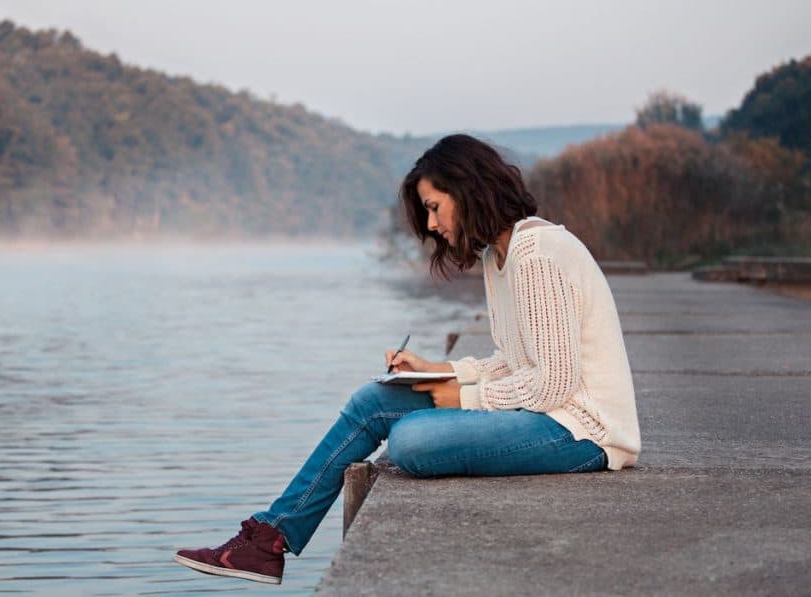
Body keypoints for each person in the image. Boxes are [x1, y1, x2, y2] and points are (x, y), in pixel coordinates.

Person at [174, 134, 641, 585]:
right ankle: (270, 537)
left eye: (434, 207)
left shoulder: (536, 253)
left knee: (412, 441)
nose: (433, 225)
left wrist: (459, 396)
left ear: (468, 189)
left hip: (583, 432)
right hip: (549, 419)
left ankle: (272, 537)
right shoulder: (499, 257)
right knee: (373, 399)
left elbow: (553, 384)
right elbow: (515, 361)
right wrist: (437, 370)